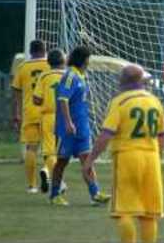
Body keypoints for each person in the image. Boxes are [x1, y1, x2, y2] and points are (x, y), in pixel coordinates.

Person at [84, 64, 164, 243]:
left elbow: (106, 133)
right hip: (151, 158)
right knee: (149, 212)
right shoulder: (155, 101)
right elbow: (161, 135)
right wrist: (158, 157)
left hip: (127, 156)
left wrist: (90, 159)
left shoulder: (119, 101)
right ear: (141, 80)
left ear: (122, 81)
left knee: (124, 211)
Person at [49, 46, 110, 206]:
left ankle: (95, 193)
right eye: (88, 58)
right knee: (62, 162)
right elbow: (63, 99)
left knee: (87, 159)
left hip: (82, 127)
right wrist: (68, 122)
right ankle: (55, 195)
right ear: (83, 59)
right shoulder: (70, 76)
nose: (89, 62)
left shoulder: (81, 77)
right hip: (68, 129)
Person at [11, 39, 50, 193]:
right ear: (44, 50)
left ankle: (32, 186)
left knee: (31, 148)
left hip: (30, 112)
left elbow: (16, 91)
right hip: (48, 111)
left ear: (31, 51)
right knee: (50, 149)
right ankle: (47, 171)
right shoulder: (51, 66)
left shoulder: (23, 67)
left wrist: (17, 113)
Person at [32, 49, 66, 193]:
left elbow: (36, 99)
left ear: (48, 62)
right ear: (63, 62)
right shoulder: (68, 76)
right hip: (66, 117)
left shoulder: (44, 76)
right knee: (61, 153)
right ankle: (50, 174)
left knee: (49, 151)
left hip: (49, 116)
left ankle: (57, 179)